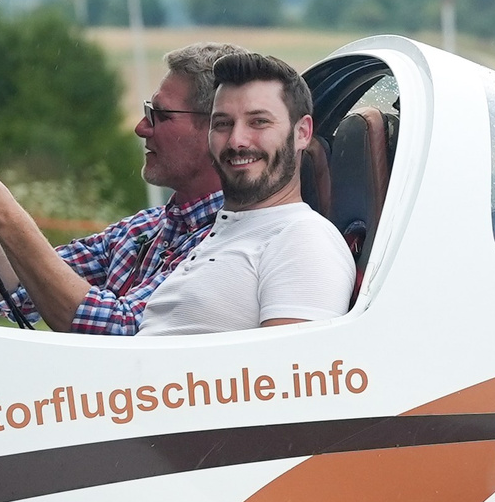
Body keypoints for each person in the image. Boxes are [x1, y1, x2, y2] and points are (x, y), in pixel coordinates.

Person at [0, 42, 239, 334]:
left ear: (217, 130)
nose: (141, 128)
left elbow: (121, 329)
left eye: (161, 115)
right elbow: (13, 291)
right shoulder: (143, 229)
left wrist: (8, 219)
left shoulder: (234, 241)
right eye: (146, 112)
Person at [136, 49, 356, 335]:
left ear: (302, 132)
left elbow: (293, 373)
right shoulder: (223, 233)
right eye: (223, 124)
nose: (237, 140)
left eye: (258, 122)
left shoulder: (302, 239)